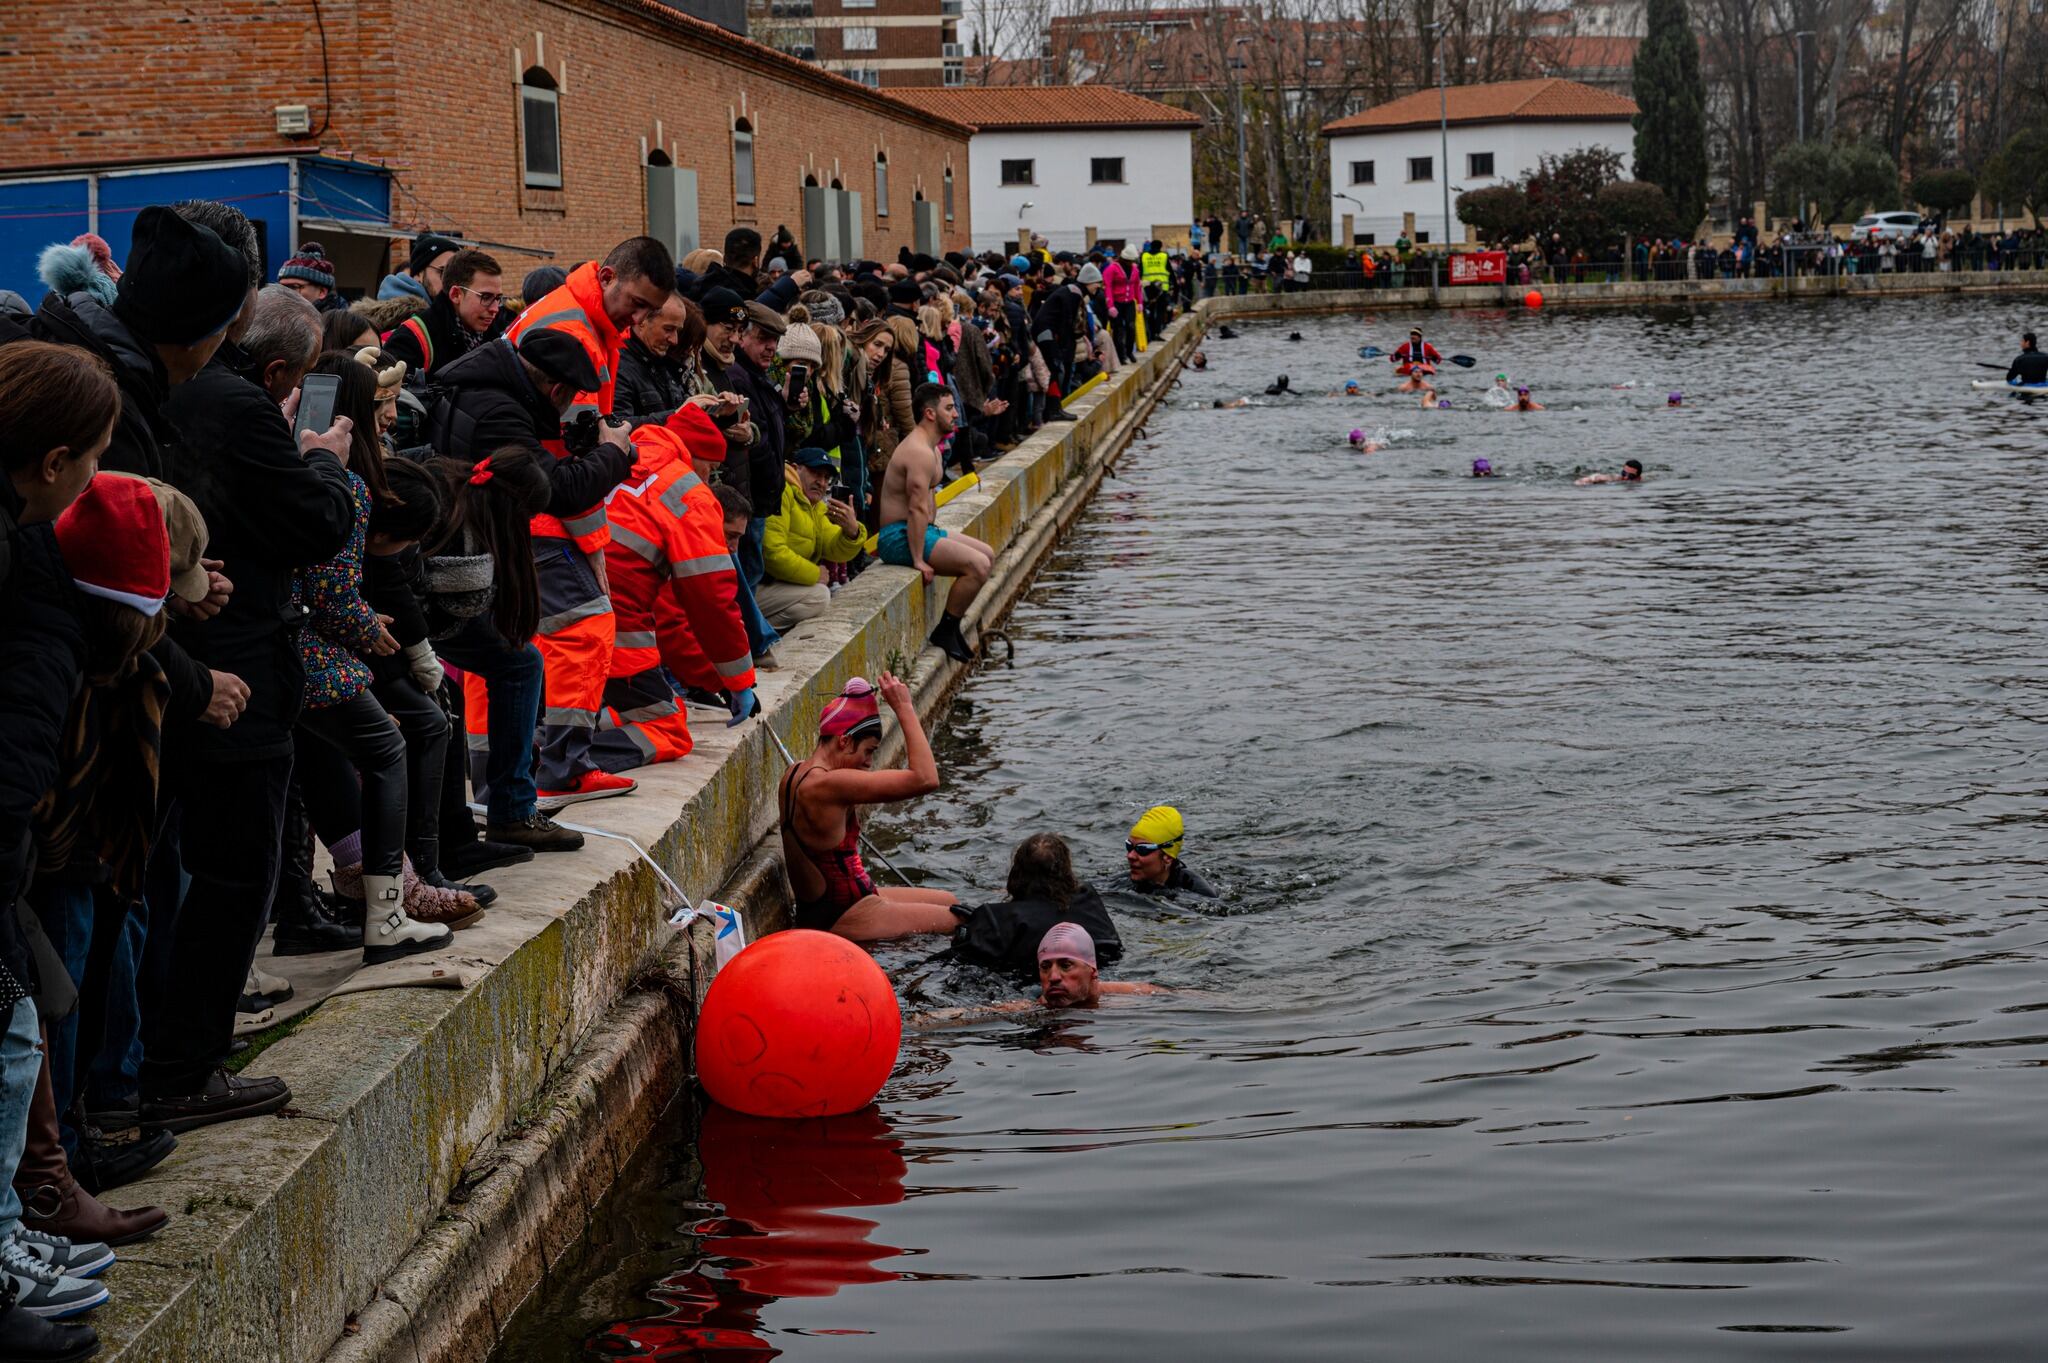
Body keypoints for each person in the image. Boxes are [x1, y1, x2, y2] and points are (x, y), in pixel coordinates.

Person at [586, 406, 757, 773]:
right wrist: (737, 680)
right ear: (696, 458)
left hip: (565, 597)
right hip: (616, 619)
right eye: (710, 469)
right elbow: (710, 600)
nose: (710, 481)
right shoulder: (687, 492)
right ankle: (570, 760)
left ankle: (548, 750)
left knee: (597, 709)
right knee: (669, 728)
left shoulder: (617, 454)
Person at [777, 676, 961, 940]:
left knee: (949, 900)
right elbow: (926, 778)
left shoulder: (794, 773)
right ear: (844, 741)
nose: (869, 762)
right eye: (868, 751)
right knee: (961, 920)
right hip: (846, 914)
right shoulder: (831, 784)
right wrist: (904, 707)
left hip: (833, 903)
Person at [877, 384, 994, 663]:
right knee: (977, 566)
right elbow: (917, 507)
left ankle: (951, 629)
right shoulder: (918, 451)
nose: (955, 414)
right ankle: (946, 630)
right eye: (949, 408)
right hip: (898, 536)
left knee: (987, 555)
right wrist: (918, 559)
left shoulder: (933, 449)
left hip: (919, 530)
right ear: (930, 413)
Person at [949, 834, 1122, 978]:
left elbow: (961, 961)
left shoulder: (996, 919)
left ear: (1016, 873)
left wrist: (974, 929)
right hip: (1100, 975)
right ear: (1067, 870)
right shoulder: (1088, 900)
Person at [759, 447, 862, 632]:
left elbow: (832, 547)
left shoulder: (815, 506)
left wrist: (852, 532)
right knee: (819, 596)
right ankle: (755, 632)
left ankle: (760, 631)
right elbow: (772, 553)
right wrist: (815, 574)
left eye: (826, 478)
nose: (821, 483)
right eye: (815, 473)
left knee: (819, 596)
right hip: (760, 585)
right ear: (796, 469)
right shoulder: (782, 493)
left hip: (778, 585)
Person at [379, 248, 508, 382]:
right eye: (486, 297)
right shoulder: (411, 339)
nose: (495, 309)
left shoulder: (499, 336)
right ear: (456, 294)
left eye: (498, 298)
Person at [1035, 924, 1165, 1009]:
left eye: (1065, 965)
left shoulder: (1142, 995)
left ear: (1093, 971)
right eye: (1045, 967)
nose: (1053, 977)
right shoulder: (1033, 1008)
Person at [614, 293, 691, 427]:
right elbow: (617, 426)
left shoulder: (662, 363)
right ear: (642, 320)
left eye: (677, 331)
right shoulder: (618, 364)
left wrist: (719, 411)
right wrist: (679, 415)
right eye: (668, 329)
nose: (674, 340)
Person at [1125, 805, 1217, 897]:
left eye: (1142, 849)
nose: (1130, 856)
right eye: (1129, 846)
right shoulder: (1122, 881)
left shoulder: (1200, 894)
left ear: (1168, 857)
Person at [377, 231, 461, 302]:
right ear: (418, 274)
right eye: (443, 272)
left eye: (456, 275)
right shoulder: (406, 318)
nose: (451, 283)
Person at [277, 242, 343, 311]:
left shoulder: (341, 321)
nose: (284, 295)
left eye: (294, 287)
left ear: (321, 292)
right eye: (282, 288)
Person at [1576, 459, 1644, 486]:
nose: (1626, 477)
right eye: (1624, 473)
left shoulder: (1641, 481)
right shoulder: (1615, 478)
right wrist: (1584, 481)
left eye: (1630, 476)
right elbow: (1597, 477)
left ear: (1638, 478)